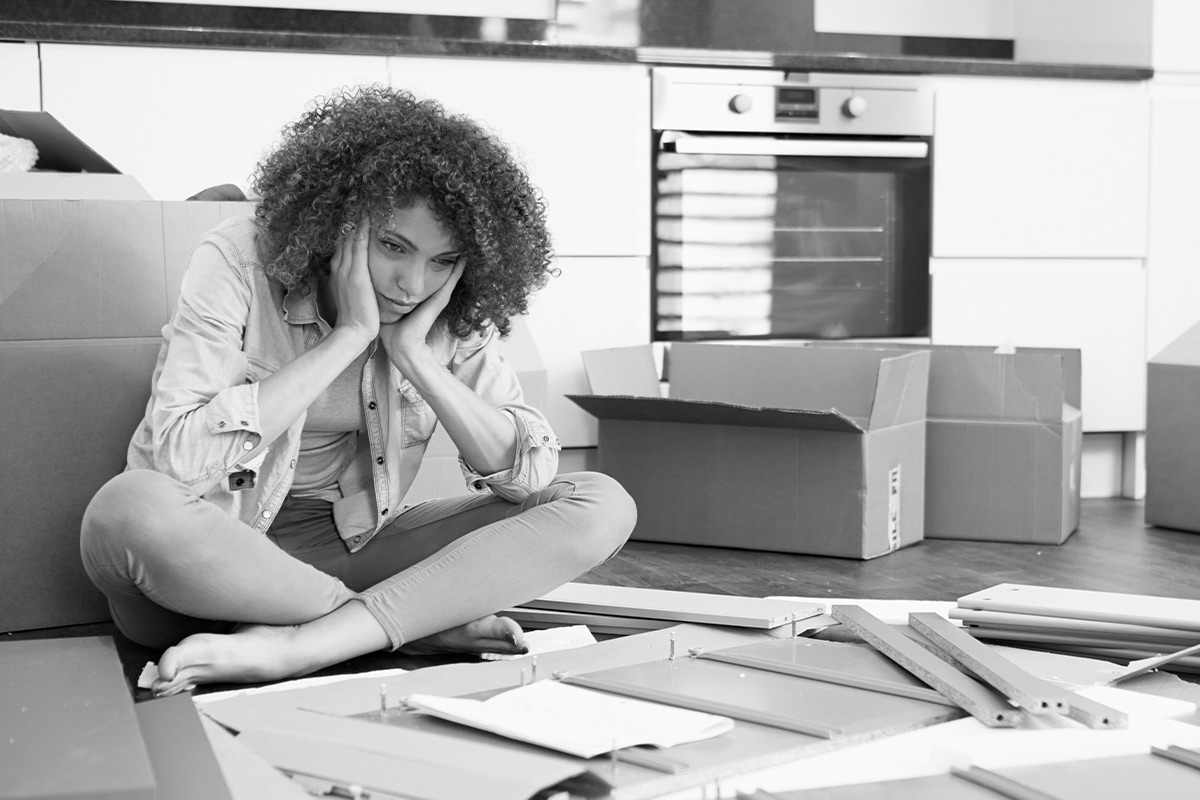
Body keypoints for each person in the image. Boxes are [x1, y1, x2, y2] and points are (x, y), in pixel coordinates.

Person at [79, 85, 637, 696]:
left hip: (342, 546)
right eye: (393, 246)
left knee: (598, 503)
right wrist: (349, 337)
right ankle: (399, 626)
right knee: (127, 507)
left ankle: (306, 644)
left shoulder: (450, 308)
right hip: (204, 562)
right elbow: (174, 462)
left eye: (443, 260)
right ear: (339, 223)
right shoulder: (238, 261)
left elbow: (526, 477)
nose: (412, 283)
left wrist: (415, 357)